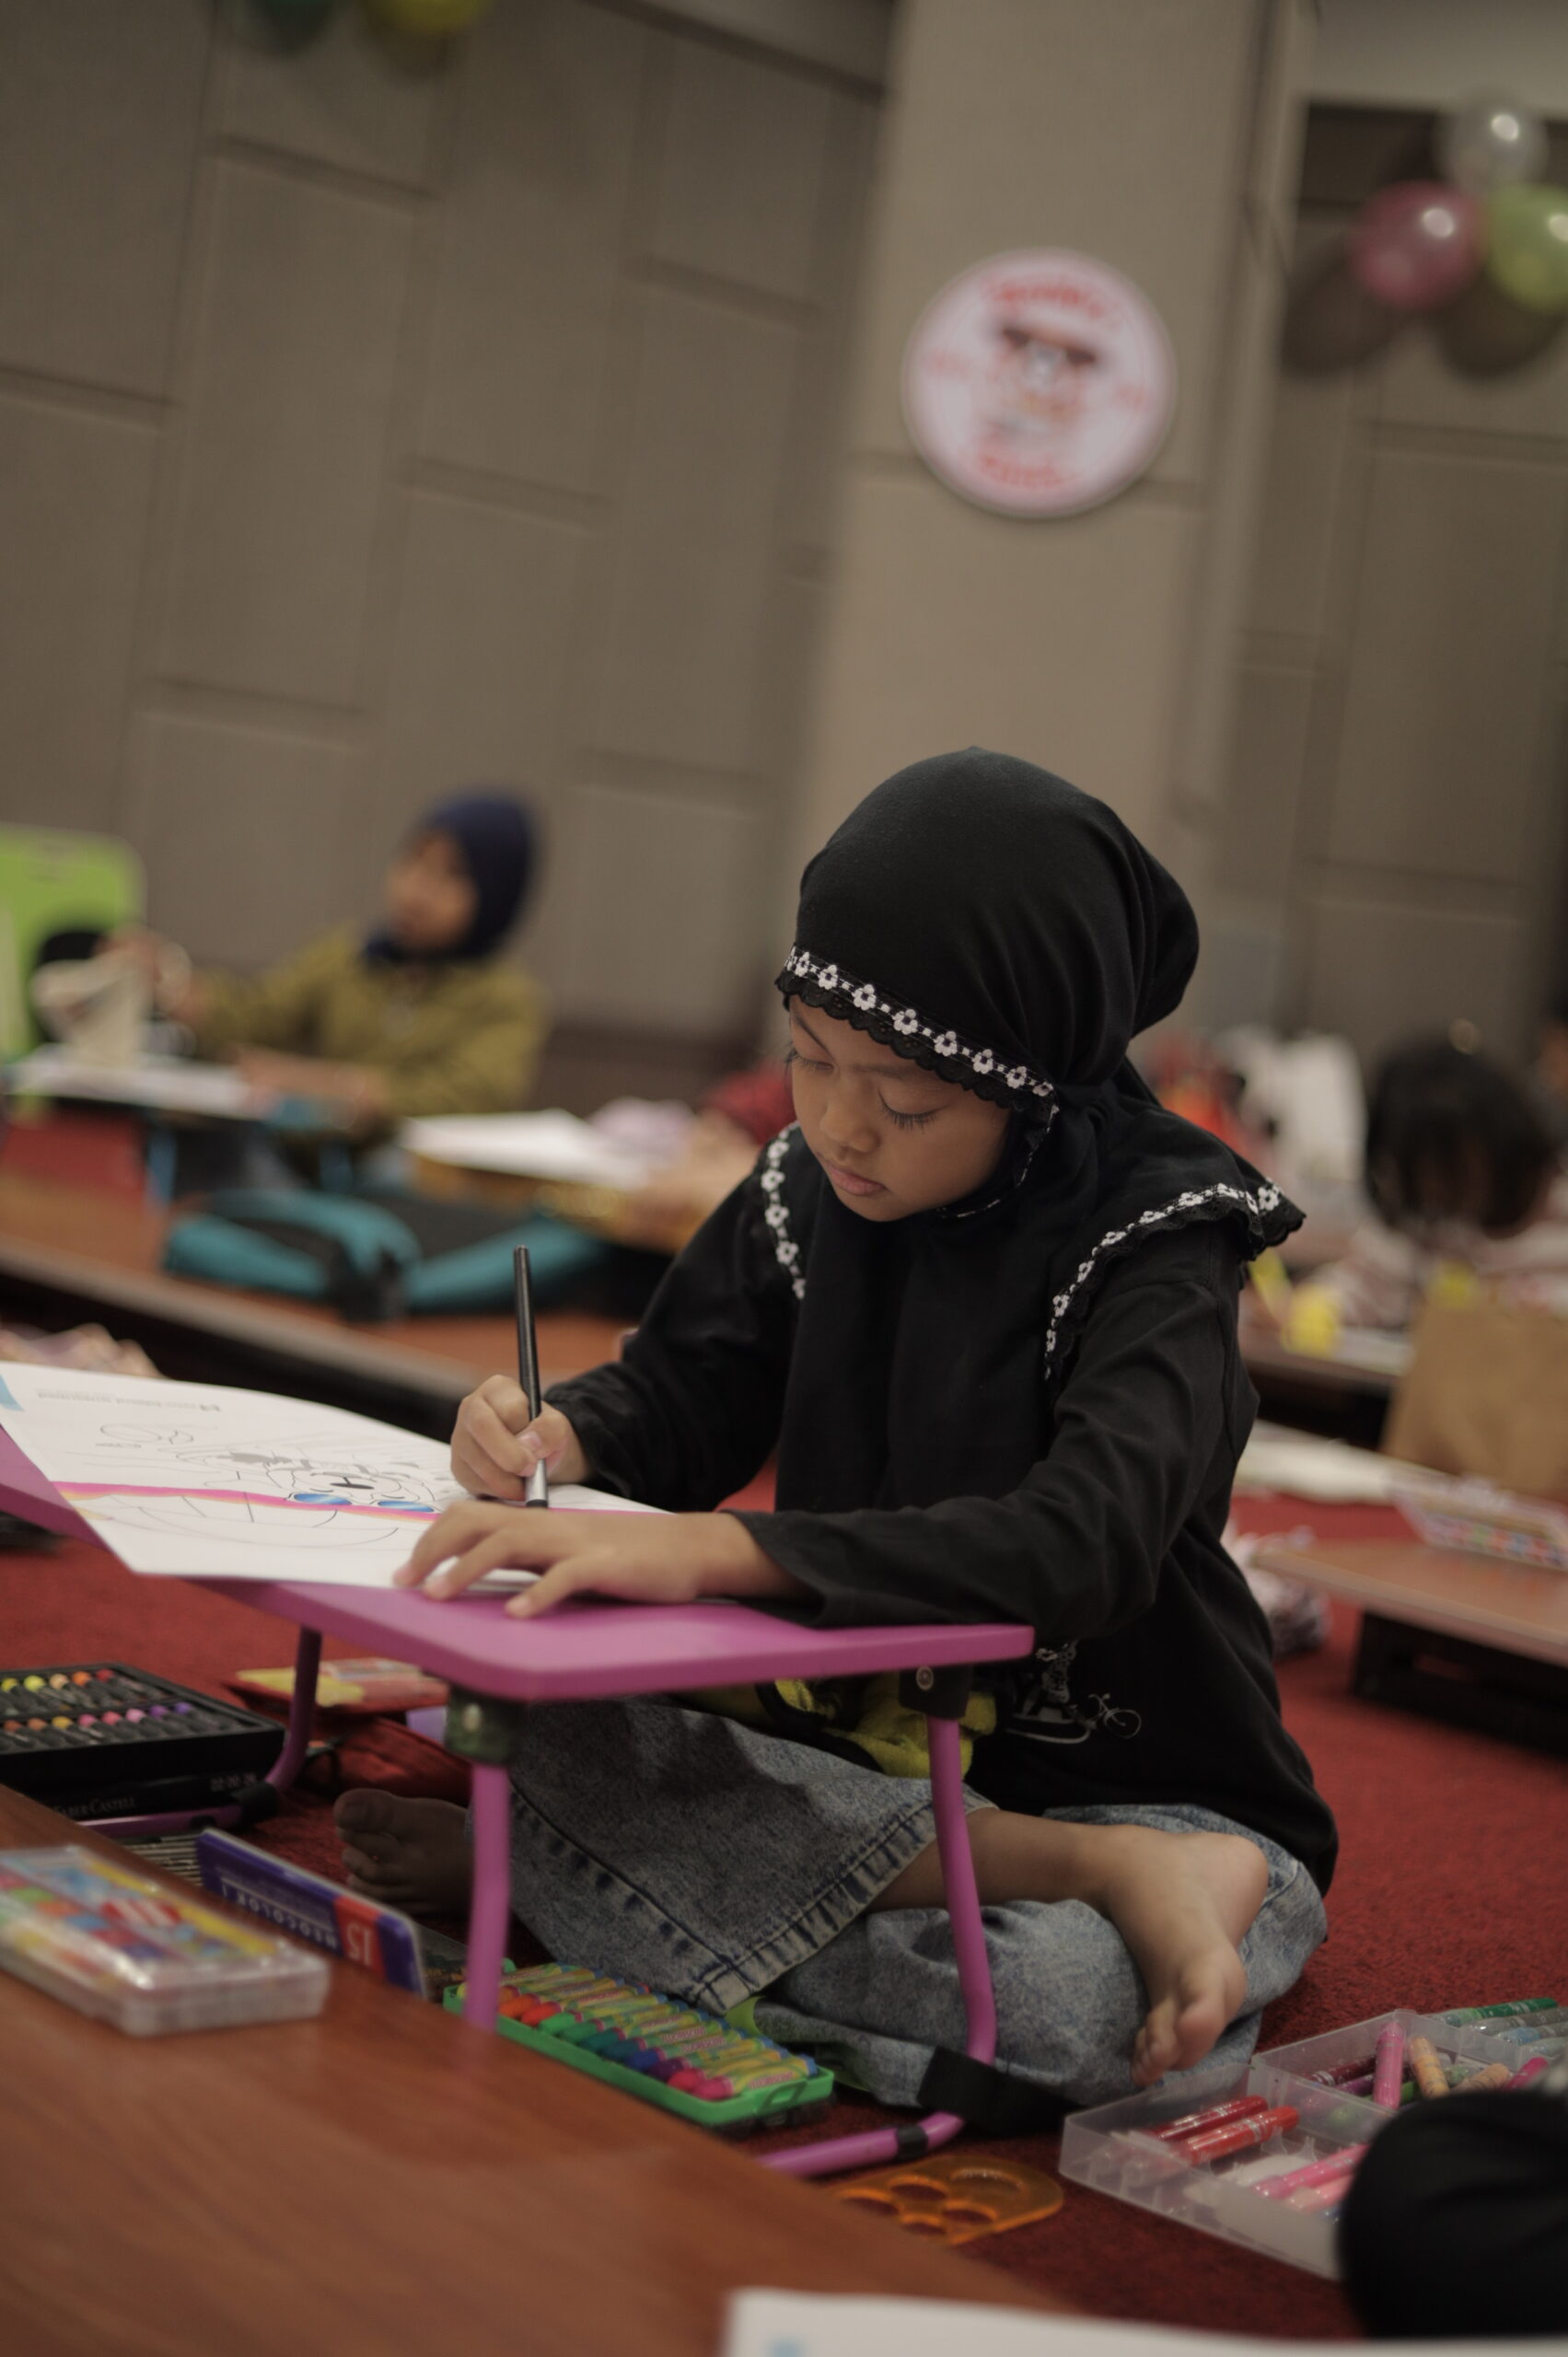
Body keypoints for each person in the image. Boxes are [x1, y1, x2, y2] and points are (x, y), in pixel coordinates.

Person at [336, 752, 1335, 2111]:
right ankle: (643, 1882)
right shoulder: (809, 1180)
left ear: (1029, 1082)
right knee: (545, 1693)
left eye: (905, 1100)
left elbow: (1082, 1544)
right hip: (840, 1764)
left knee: (1047, 2001)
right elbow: (683, 1394)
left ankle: (567, 1882)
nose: (841, 1127)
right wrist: (558, 1434)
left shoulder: (1159, 1237)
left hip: (1135, 1785)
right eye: (807, 1058)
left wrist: (720, 1553)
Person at [115, 791, 546, 1144]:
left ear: (496, 894)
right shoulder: (351, 956)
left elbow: (466, 1099)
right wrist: (169, 984)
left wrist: (327, 1085)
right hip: (307, 1163)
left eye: (451, 875)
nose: (417, 890)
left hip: (412, 1190)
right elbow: (257, 1015)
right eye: (414, 860)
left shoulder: (506, 1000)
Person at [1283, 1038, 1568, 1336]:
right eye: (1418, 1172)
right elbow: (1360, 1287)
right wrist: (1308, 1307)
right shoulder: (1424, 1223)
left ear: (1499, 1137)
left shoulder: (1559, 1207)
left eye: (1449, 1162)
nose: (1435, 1186)